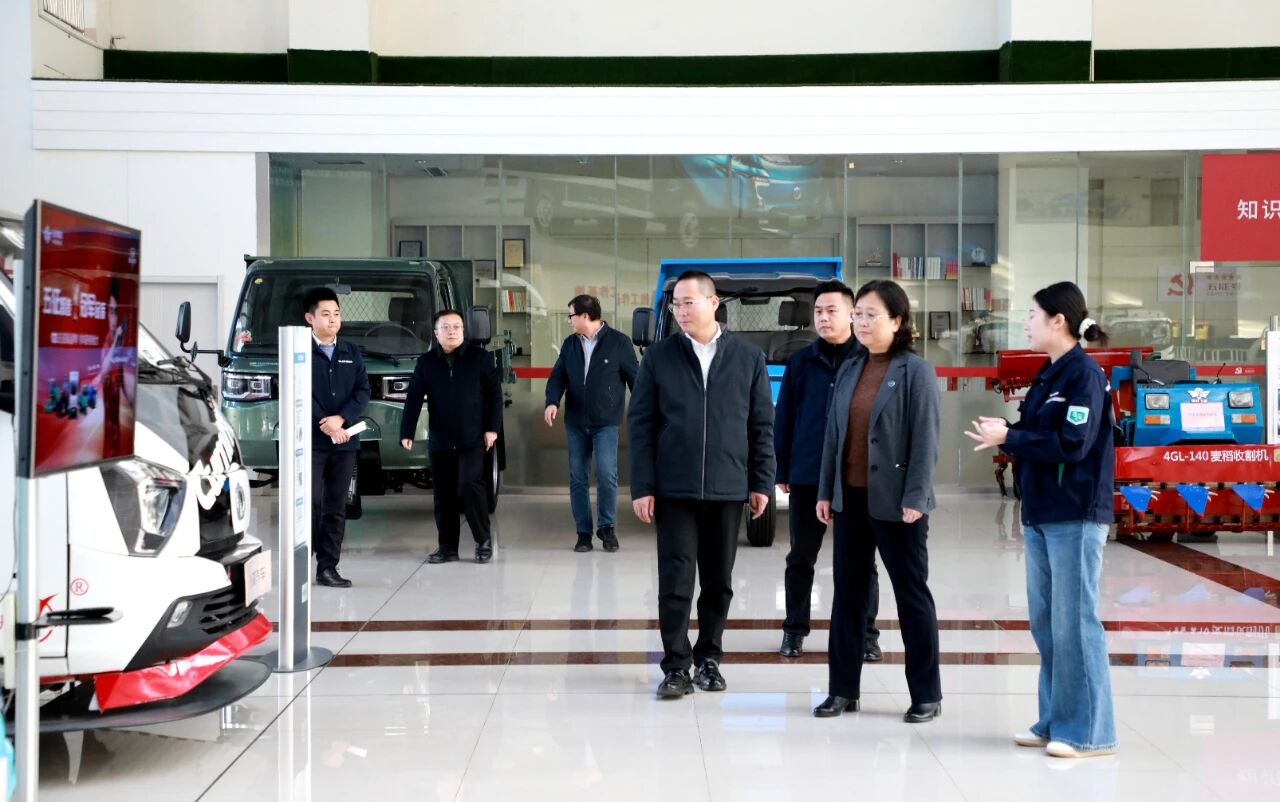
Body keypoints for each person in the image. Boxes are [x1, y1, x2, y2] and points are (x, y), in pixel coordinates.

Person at [966, 281, 1117, 759]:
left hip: (1075, 511)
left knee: (1075, 623)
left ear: (1058, 320)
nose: (1026, 324)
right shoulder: (1048, 375)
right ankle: (1054, 719)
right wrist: (1006, 433)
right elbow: (1033, 434)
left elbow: (1073, 444)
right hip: (1040, 511)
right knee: (1048, 624)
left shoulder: (1083, 376)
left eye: (1032, 315)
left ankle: (1088, 733)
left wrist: (1011, 437)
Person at [629, 270, 774, 699]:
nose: (680, 311)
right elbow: (640, 425)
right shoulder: (659, 357)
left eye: (688, 302)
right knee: (675, 581)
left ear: (714, 303)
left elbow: (761, 426)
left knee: (718, 581)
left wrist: (761, 482)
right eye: (675, 304)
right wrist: (643, 486)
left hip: (728, 487)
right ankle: (676, 666)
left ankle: (709, 659)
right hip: (674, 489)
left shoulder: (748, 358)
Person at [815, 279, 942, 722]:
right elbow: (834, 436)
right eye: (859, 315)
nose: (862, 323)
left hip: (898, 503)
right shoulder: (851, 367)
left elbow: (926, 439)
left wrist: (916, 496)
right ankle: (842, 690)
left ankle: (926, 694)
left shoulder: (915, 371)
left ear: (898, 321)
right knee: (848, 597)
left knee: (911, 595)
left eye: (872, 315)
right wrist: (826, 491)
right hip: (850, 500)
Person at [774, 280, 881, 661]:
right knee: (801, 557)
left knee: (861, 560)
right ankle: (794, 630)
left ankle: (866, 633)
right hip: (808, 473)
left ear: (852, 314)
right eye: (818, 311)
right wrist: (783, 468)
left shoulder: (869, 360)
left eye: (831, 310)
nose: (823, 317)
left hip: (856, 475)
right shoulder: (800, 362)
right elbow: (785, 417)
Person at [400, 309, 502, 564]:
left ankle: (483, 541)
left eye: (457, 327)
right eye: (446, 327)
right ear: (436, 333)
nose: (452, 331)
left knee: (470, 485)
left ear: (463, 331)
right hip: (441, 439)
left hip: (473, 437)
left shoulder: (479, 358)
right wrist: (407, 431)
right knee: (443, 495)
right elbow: (413, 398)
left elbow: (494, 395)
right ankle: (447, 547)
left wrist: (492, 429)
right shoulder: (426, 362)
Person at [544, 294, 640, 553]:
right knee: (578, 477)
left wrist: (644, 413)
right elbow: (557, 377)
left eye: (571, 316)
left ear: (585, 316)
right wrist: (552, 402)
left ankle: (607, 528)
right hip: (575, 422)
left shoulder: (619, 342)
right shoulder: (570, 344)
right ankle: (583, 532)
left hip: (606, 423)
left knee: (607, 475)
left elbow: (636, 381)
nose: (569, 321)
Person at [306, 287, 370, 588]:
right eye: (326, 314)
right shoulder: (300, 352)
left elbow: (363, 391)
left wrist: (341, 419)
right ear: (310, 318)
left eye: (336, 314)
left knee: (336, 506)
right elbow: (297, 390)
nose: (333, 320)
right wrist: (326, 422)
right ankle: (307, 556)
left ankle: (328, 567)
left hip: (345, 442)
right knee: (311, 503)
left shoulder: (350, 352)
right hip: (312, 442)